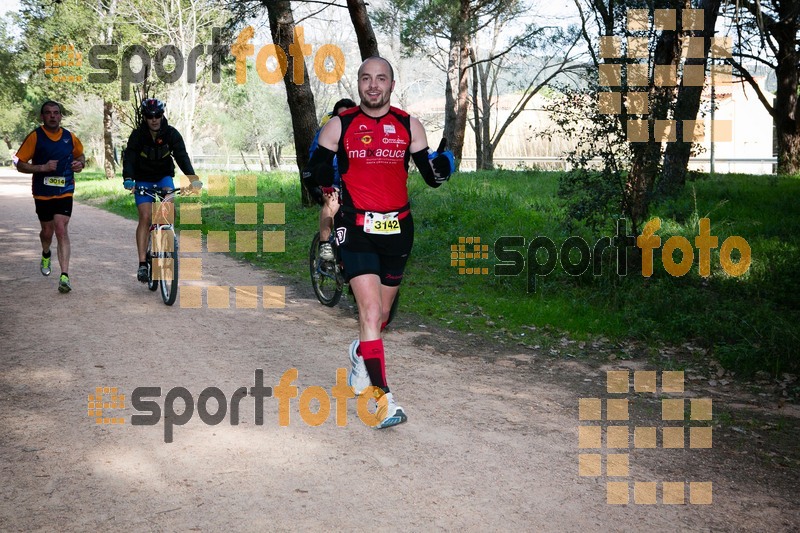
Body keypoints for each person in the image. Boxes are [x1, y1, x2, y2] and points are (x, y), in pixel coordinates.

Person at [304, 57, 455, 429]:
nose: (373, 85)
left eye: (381, 79)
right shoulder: (339, 126)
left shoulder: (409, 126)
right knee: (369, 312)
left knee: (382, 317)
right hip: (354, 229)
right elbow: (314, 170)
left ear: (391, 84)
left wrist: (445, 164)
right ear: (359, 84)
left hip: (399, 229)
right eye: (366, 79)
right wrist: (326, 185)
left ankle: (360, 352)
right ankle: (383, 399)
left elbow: (430, 176)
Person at [14, 100, 86, 293]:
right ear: (42, 116)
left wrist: (80, 164)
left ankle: (64, 276)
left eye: (56, 112)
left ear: (61, 116)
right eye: (48, 113)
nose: (53, 116)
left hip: (65, 190)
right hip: (42, 193)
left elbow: (80, 156)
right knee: (47, 232)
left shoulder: (70, 137)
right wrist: (42, 168)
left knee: (61, 229)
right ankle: (46, 253)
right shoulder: (35, 137)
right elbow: (19, 163)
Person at [122, 98, 197, 283]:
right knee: (146, 217)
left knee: (168, 211)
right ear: (144, 117)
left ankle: (165, 240)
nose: (154, 119)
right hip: (142, 180)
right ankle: (142, 264)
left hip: (163, 177)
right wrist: (128, 179)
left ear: (162, 115)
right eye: (150, 116)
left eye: (157, 115)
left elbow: (181, 156)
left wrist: (192, 178)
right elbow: (130, 157)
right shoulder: (138, 135)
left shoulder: (171, 134)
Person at [308, 98, 357, 261]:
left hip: (353, 185)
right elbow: (316, 161)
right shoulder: (326, 134)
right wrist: (323, 183)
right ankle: (324, 245)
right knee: (333, 201)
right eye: (341, 117)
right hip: (330, 183)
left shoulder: (362, 136)